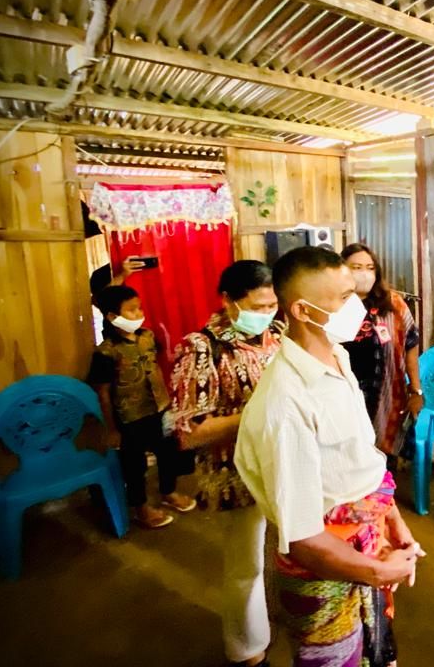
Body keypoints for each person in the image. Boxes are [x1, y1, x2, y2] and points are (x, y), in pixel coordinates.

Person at [234, 246, 424, 667]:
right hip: (325, 569)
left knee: (376, 649)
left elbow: (359, 459)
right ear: (302, 310)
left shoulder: (336, 356)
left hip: (366, 549)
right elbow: (303, 540)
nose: (355, 305)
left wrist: (392, 521)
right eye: (342, 297)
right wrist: (378, 571)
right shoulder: (285, 405)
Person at [167, 260, 281, 667]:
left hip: (281, 464)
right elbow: (190, 431)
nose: (266, 313)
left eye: (272, 304)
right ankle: (247, 650)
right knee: (245, 564)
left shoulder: (278, 336)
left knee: (286, 551)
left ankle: (275, 618)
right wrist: (260, 412)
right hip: (235, 472)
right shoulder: (201, 347)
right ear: (229, 302)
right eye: (258, 304)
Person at [87, 285, 196, 529]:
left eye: (139, 308)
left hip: (160, 409)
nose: (139, 314)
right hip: (130, 418)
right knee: (134, 466)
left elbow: (158, 366)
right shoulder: (106, 353)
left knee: (169, 454)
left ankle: (168, 492)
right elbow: (103, 393)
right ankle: (141, 507)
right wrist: (112, 429)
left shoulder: (147, 337)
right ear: (113, 317)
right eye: (132, 310)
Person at [340, 243, 423, 462]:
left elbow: (411, 345)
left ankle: (385, 493)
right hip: (344, 396)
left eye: (369, 267)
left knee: (384, 456)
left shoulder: (393, 303)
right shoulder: (332, 305)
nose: (364, 274)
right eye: (356, 267)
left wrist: (416, 390)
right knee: (351, 456)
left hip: (387, 394)